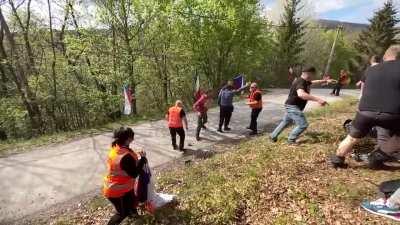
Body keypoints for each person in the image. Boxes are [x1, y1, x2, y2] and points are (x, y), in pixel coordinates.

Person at [330, 45, 400, 168]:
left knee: (351, 138)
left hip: (365, 112)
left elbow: (364, 86)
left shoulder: (371, 70)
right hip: (392, 113)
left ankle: (337, 160)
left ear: (385, 56)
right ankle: (377, 156)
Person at [270, 66, 336, 144]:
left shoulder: (304, 81)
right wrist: (318, 99)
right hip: (293, 107)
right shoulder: (300, 82)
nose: (313, 76)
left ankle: (273, 136)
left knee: (286, 122)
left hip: (291, 105)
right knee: (303, 125)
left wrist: (325, 80)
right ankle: (291, 140)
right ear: (309, 73)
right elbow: (301, 94)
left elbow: (314, 82)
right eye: (313, 74)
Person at [103, 127, 147, 225]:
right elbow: (134, 174)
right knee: (122, 213)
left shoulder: (117, 147)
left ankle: (135, 218)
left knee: (132, 203)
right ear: (127, 139)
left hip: (121, 186)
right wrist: (142, 160)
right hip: (116, 190)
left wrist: (138, 158)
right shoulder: (125, 156)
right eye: (132, 137)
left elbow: (126, 163)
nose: (133, 139)